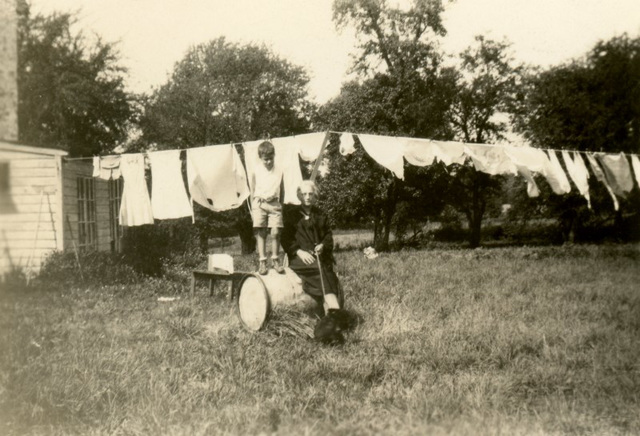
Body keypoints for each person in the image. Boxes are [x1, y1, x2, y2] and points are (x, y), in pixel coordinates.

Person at [281, 180, 342, 313]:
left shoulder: (321, 214)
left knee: (324, 267)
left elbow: (328, 236)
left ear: (315, 196)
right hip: (299, 259)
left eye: (310, 194)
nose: (307, 197)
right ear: (299, 196)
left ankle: (330, 310)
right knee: (322, 269)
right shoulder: (292, 215)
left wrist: (322, 245)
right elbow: (285, 239)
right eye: (304, 194)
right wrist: (298, 252)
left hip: (318, 256)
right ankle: (333, 308)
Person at [251, 140, 285, 275]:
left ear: (274, 156)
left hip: (274, 203)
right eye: (265, 160)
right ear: (260, 158)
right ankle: (262, 262)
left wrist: (280, 204)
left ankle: (275, 260)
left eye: (271, 159)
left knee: (276, 232)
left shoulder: (280, 170)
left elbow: (282, 189)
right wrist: (253, 206)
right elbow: (253, 188)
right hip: (259, 203)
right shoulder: (256, 170)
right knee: (261, 232)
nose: (269, 162)